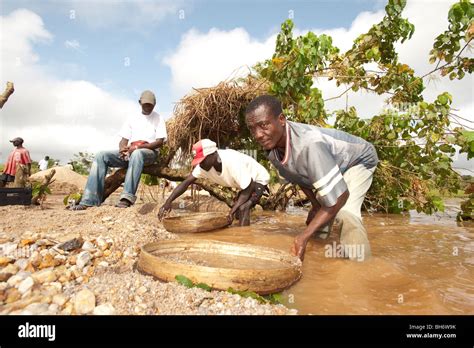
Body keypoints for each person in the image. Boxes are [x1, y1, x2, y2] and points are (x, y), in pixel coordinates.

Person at [245, 95, 379, 261]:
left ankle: (361, 268)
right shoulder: (272, 151)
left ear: (281, 119)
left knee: (345, 212)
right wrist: (315, 205)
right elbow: (298, 177)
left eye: (264, 125)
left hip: (357, 160)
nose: (257, 135)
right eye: (252, 129)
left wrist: (303, 237)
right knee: (319, 215)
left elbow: (339, 197)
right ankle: (321, 257)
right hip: (331, 164)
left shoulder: (310, 144)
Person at [70, 90, 167, 210]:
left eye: (150, 105)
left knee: (137, 154)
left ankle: (127, 198)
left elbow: (159, 142)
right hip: (131, 152)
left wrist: (138, 147)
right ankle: (89, 199)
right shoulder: (132, 118)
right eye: (145, 104)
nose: (148, 107)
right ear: (139, 103)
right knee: (101, 155)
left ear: (155, 104)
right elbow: (123, 140)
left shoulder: (158, 118)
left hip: (148, 153)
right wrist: (122, 148)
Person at [158, 139, 270, 226]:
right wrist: (168, 202)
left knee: (243, 207)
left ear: (213, 155)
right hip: (244, 184)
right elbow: (186, 183)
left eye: (202, 161)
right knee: (236, 213)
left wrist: (232, 210)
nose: (200, 165)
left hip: (257, 179)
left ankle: (244, 241)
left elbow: (249, 186)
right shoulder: (203, 167)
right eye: (198, 162)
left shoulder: (232, 161)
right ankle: (239, 231)